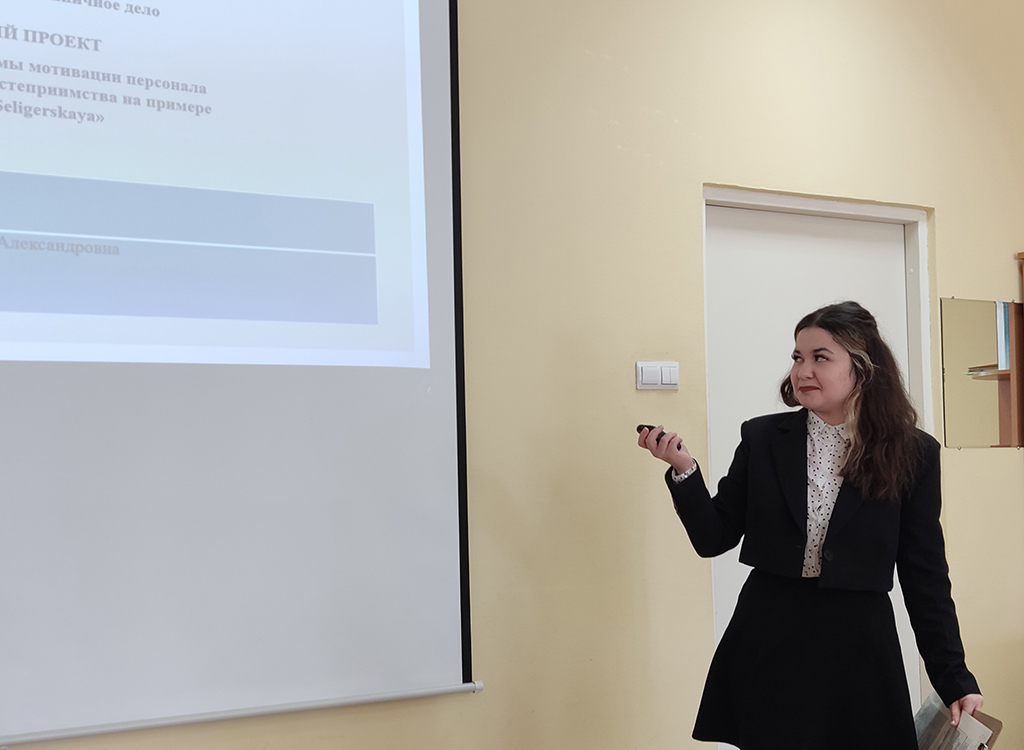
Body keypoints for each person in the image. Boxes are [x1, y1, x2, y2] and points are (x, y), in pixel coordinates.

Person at [638, 301, 981, 750]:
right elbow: (713, 538)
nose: (803, 370)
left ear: (862, 367)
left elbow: (925, 576)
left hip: (860, 648)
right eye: (798, 357)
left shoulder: (913, 452)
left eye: (821, 357)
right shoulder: (762, 437)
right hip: (771, 636)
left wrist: (954, 678)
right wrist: (685, 471)